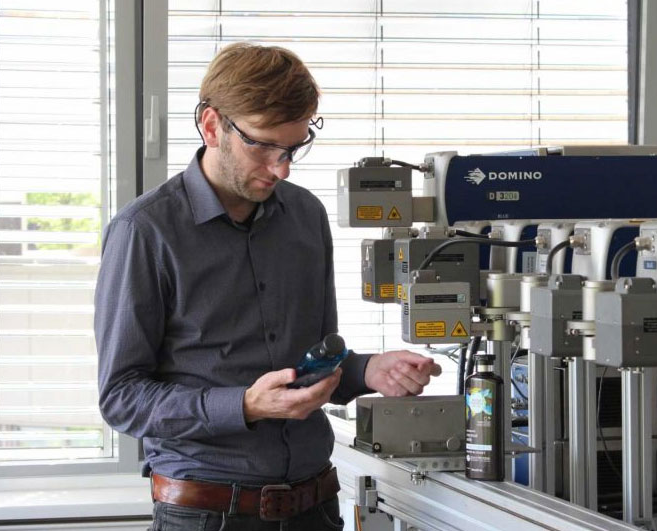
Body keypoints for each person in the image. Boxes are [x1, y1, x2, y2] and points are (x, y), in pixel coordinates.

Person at [95, 42, 440, 531]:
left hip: (316, 507)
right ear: (212, 125)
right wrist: (245, 406)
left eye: (293, 148)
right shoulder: (144, 232)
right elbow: (122, 397)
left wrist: (368, 371)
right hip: (207, 514)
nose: (282, 168)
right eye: (262, 146)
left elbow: (311, 365)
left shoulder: (305, 216)